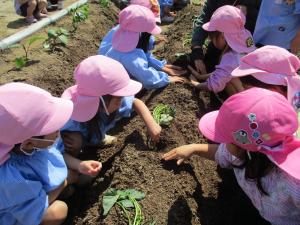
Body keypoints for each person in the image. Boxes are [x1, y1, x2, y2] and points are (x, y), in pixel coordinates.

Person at [163, 87, 300, 225]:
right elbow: (220, 153)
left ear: (245, 146)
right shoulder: (246, 152)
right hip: (254, 207)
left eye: (228, 141)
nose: (224, 144)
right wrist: (193, 148)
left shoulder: (293, 183)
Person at [57, 55, 161, 187]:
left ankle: (96, 139)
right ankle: (72, 172)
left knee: (88, 135)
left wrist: (151, 124)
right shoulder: (70, 118)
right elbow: (53, 152)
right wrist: (79, 165)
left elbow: (135, 102)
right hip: (65, 151)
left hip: (92, 133)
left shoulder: (112, 103)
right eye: (118, 98)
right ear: (99, 100)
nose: (122, 101)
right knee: (74, 141)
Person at [0, 82, 74, 225]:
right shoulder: (10, 179)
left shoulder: (36, 143)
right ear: (28, 143)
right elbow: (33, 208)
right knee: (58, 211)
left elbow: (57, 154)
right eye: (53, 128)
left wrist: (79, 165)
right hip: (20, 212)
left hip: (33, 195)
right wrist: (64, 183)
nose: (58, 130)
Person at [102, 5, 186, 90]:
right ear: (141, 34)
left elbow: (143, 56)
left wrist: (161, 66)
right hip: (112, 92)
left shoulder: (122, 41)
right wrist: (166, 79)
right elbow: (148, 79)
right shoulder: (131, 57)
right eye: (148, 34)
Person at [189, 5, 256, 96]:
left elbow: (215, 85)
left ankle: (235, 106)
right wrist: (200, 76)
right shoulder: (246, 39)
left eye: (212, 37)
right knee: (229, 76)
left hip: (248, 101)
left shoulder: (230, 58)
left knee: (229, 80)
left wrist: (196, 84)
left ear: (222, 37)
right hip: (257, 90)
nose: (211, 40)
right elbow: (224, 72)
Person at [191, 0, 261, 74]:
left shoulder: (231, 60)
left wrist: (249, 10)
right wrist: (197, 50)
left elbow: (218, 81)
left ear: (222, 37)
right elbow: (204, 17)